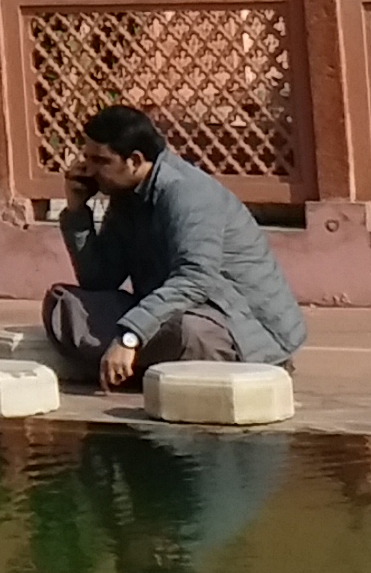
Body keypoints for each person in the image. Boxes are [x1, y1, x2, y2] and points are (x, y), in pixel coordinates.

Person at [43, 104, 306, 388]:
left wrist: (130, 335)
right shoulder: (125, 194)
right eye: (87, 159)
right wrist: (77, 211)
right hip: (171, 308)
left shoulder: (188, 194)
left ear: (134, 160)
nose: (89, 171)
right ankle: (140, 360)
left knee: (188, 332)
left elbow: (195, 280)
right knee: (65, 305)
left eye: (100, 161)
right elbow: (100, 280)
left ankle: (136, 359)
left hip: (235, 321)